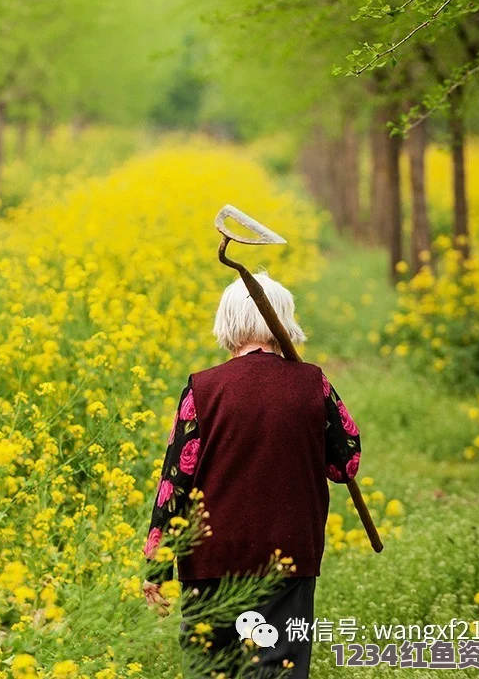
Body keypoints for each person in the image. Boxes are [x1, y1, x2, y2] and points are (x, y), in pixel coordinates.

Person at [141, 273, 362, 678]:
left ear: (226, 323)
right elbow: (344, 464)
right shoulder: (313, 383)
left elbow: (175, 481)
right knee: (277, 666)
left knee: (210, 665)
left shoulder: (202, 389)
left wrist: (158, 565)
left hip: (209, 556)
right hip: (288, 555)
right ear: (284, 321)